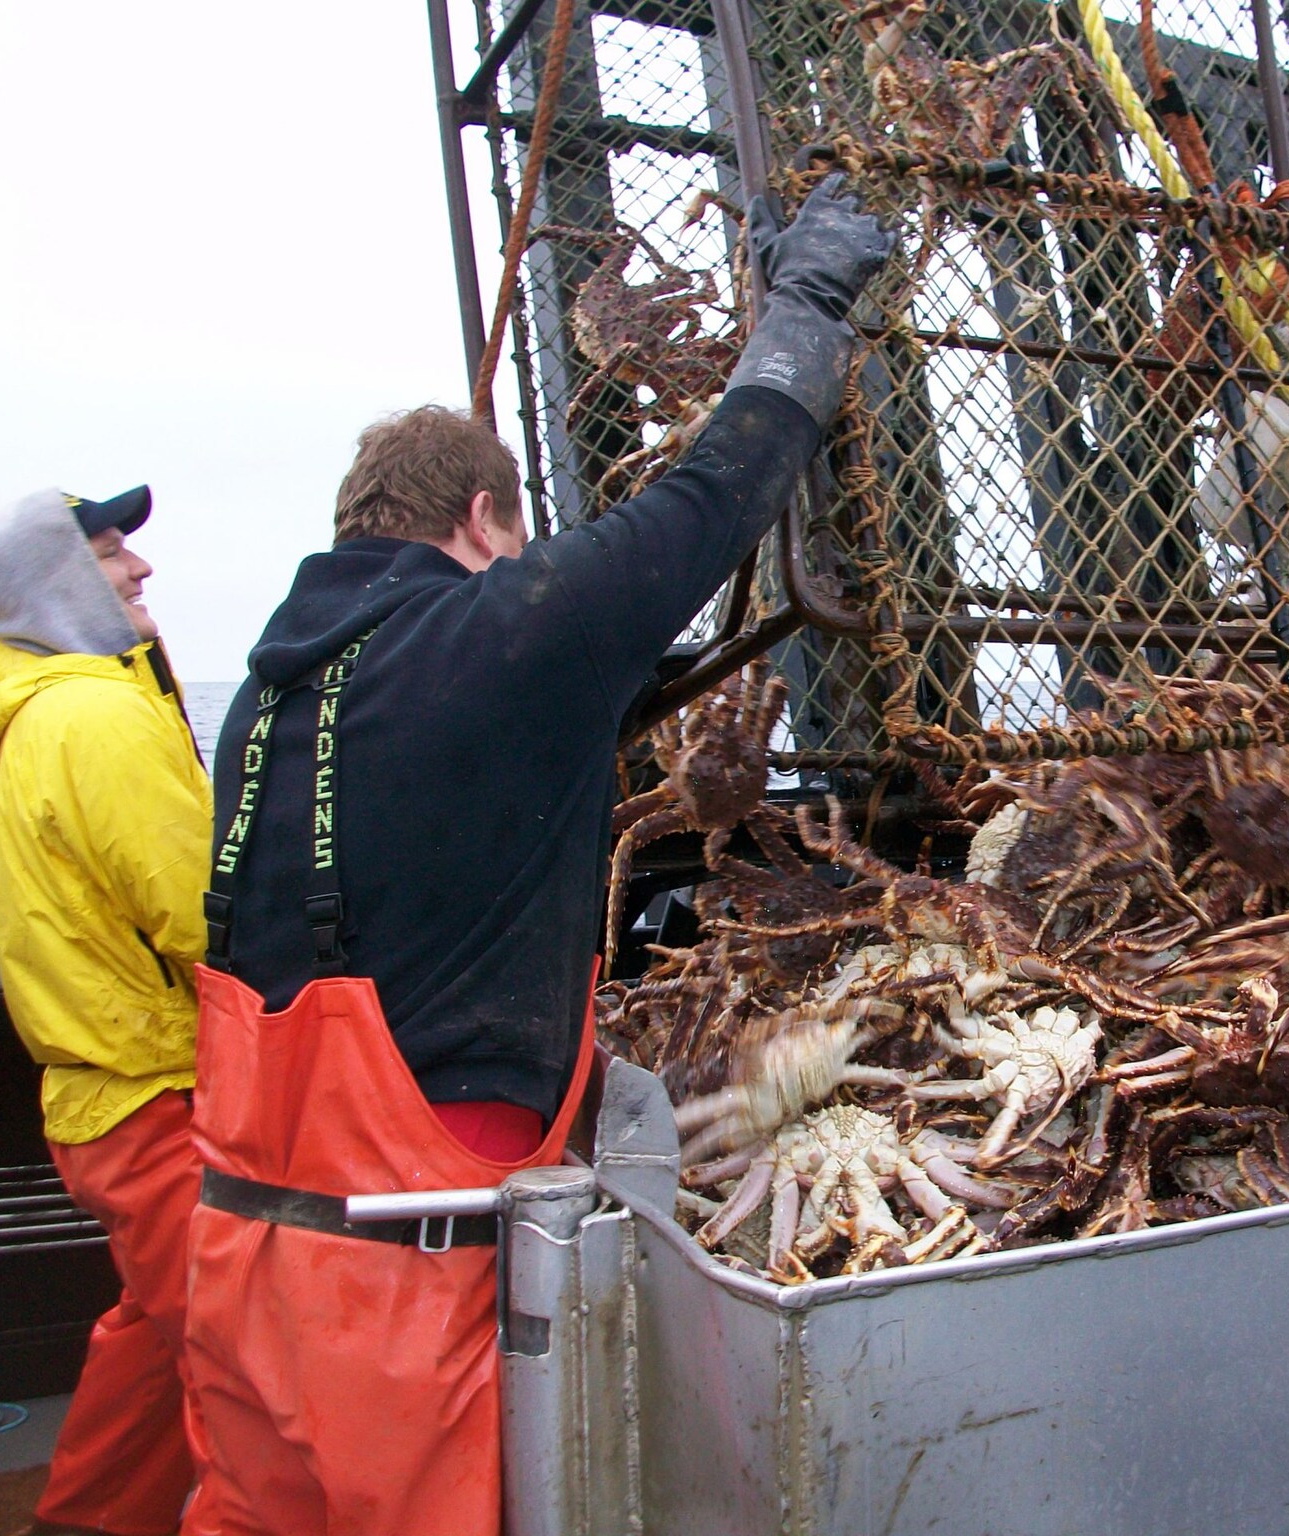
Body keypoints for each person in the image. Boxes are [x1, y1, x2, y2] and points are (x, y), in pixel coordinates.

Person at [180, 176, 890, 1534]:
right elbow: (714, 492)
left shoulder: (266, 704)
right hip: (401, 1289)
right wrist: (801, 306)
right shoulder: (493, 634)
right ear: (491, 524)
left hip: (244, 1267)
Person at [0, 486, 213, 1536]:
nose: (142, 570)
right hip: (156, 1098)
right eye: (116, 555)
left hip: (102, 1102)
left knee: (159, 1338)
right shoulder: (98, 717)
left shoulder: (46, 710)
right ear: (61, 583)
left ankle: (79, 1523)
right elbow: (208, 913)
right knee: (247, 1367)